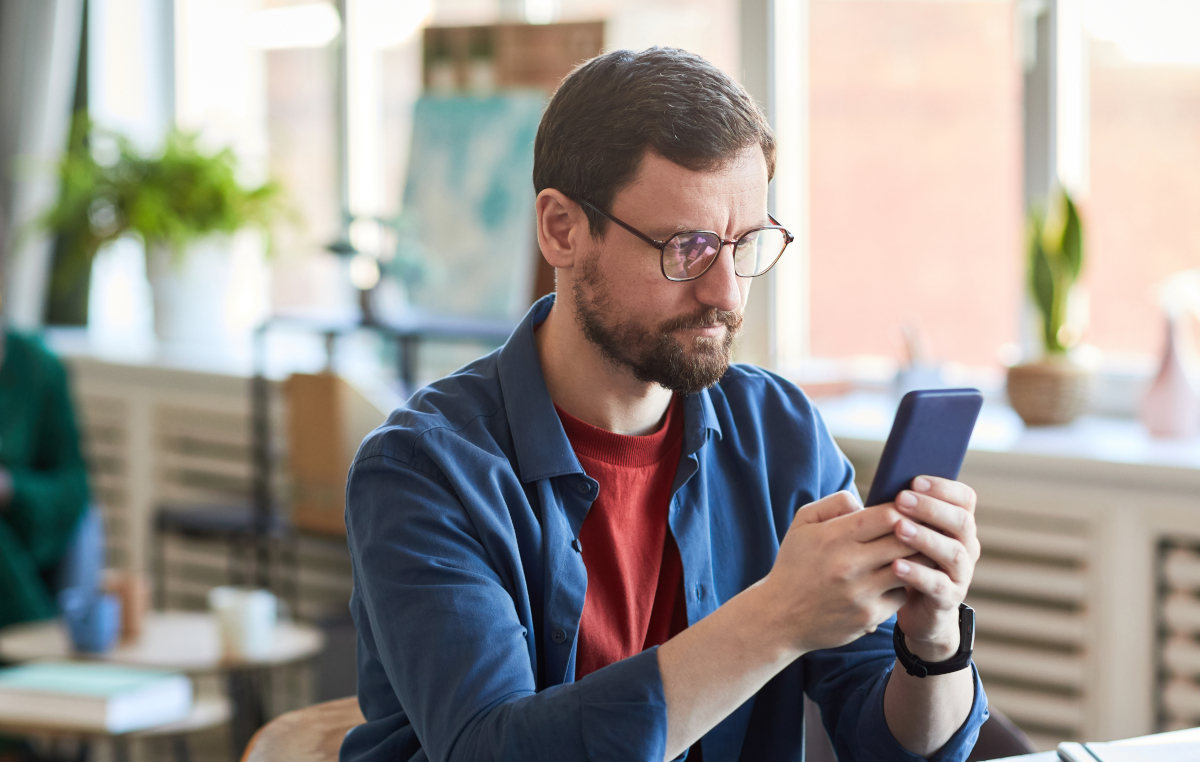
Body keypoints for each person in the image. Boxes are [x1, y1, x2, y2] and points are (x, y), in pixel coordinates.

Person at [342, 47, 987, 762]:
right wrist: (777, 617)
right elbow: (493, 751)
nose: (728, 294)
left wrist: (933, 647)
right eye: (687, 248)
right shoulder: (421, 469)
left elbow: (886, 740)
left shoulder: (779, 432)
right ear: (562, 229)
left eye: (746, 245)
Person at [0, 312, 90, 629]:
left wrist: (12, 489)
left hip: (25, 545)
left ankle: (35, 646)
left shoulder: (39, 370)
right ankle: (39, 644)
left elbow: (74, 487)